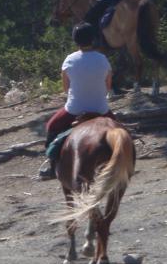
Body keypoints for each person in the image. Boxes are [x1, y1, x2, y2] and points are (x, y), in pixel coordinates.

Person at [38, 22, 113, 179]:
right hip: (101, 109)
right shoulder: (102, 59)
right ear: (93, 39)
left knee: (52, 126)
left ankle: (52, 167)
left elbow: (66, 88)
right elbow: (108, 86)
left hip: (74, 109)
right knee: (122, 131)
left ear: (75, 41)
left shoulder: (69, 60)